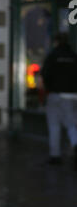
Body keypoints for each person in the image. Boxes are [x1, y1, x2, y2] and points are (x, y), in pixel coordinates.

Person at [41, 32, 77, 169]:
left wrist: (50, 89)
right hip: (73, 96)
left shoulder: (53, 56)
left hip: (56, 95)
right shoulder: (73, 56)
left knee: (54, 125)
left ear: (56, 41)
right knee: (72, 124)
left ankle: (55, 155)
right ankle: (75, 145)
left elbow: (45, 74)